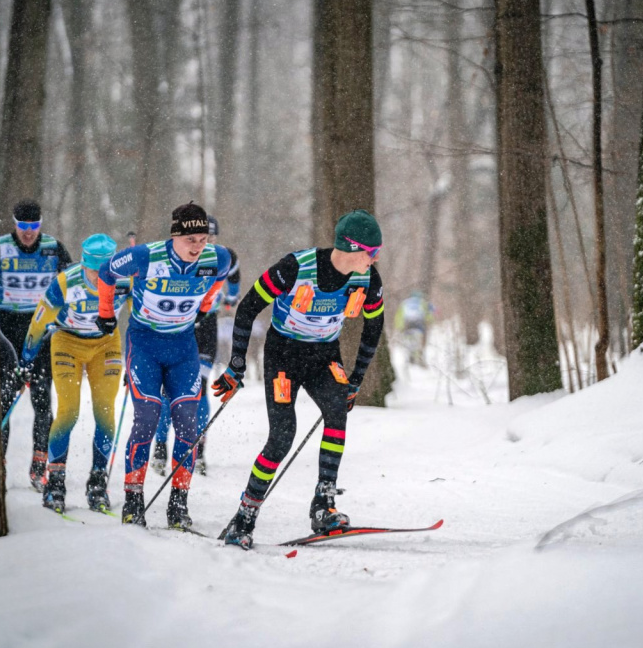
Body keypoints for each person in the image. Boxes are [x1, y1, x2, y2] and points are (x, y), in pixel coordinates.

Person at [215, 209, 385, 550]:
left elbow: (373, 327)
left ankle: (323, 504)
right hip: (284, 356)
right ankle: (244, 517)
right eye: (373, 252)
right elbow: (248, 307)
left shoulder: (369, 280)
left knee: (337, 410)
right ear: (353, 248)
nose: (376, 259)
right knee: (282, 437)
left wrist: (356, 379)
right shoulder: (295, 268)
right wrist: (236, 366)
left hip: (324, 356)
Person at [96, 202, 231, 529]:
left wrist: (205, 306)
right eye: (191, 240)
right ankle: (133, 500)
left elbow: (219, 278)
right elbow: (105, 272)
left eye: (203, 239)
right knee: (147, 415)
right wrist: (105, 313)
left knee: (188, 420)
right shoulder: (146, 256)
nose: (198, 247)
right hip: (144, 343)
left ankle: (178, 504)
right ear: (175, 237)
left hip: (183, 345)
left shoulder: (218, 258)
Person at [19, 234, 132, 514]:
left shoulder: (125, 280)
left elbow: (139, 317)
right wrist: (26, 358)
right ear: (84, 265)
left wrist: (138, 357)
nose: (100, 278)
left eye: (106, 273)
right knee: (68, 412)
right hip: (67, 342)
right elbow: (38, 321)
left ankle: (97, 482)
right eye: (95, 272)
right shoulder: (66, 282)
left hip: (106, 345)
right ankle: (55, 482)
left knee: (105, 412)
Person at [151, 214, 241, 477]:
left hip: (205, 327)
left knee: (198, 389)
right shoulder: (180, 255)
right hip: (179, 325)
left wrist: (230, 300)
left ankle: (198, 450)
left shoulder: (223, 256)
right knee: (169, 390)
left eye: (211, 237)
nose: (206, 243)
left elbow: (235, 278)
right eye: (202, 237)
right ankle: (160, 446)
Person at [0, 199, 72, 488]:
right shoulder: (0, 247)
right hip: (7, 331)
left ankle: (39, 465)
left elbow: (70, 283)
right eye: (23, 226)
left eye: (34, 226)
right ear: (14, 224)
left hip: (41, 332)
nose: (28, 233)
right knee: (2, 401)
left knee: (42, 400)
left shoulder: (53, 248)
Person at [394, 290, 435, 365]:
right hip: (419, 324)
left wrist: (399, 327)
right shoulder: (423, 302)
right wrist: (430, 321)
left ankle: (410, 355)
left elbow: (399, 316)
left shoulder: (404, 303)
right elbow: (428, 314)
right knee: (420, 340)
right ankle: (419, 355)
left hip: (407, 324)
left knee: (409, 339)